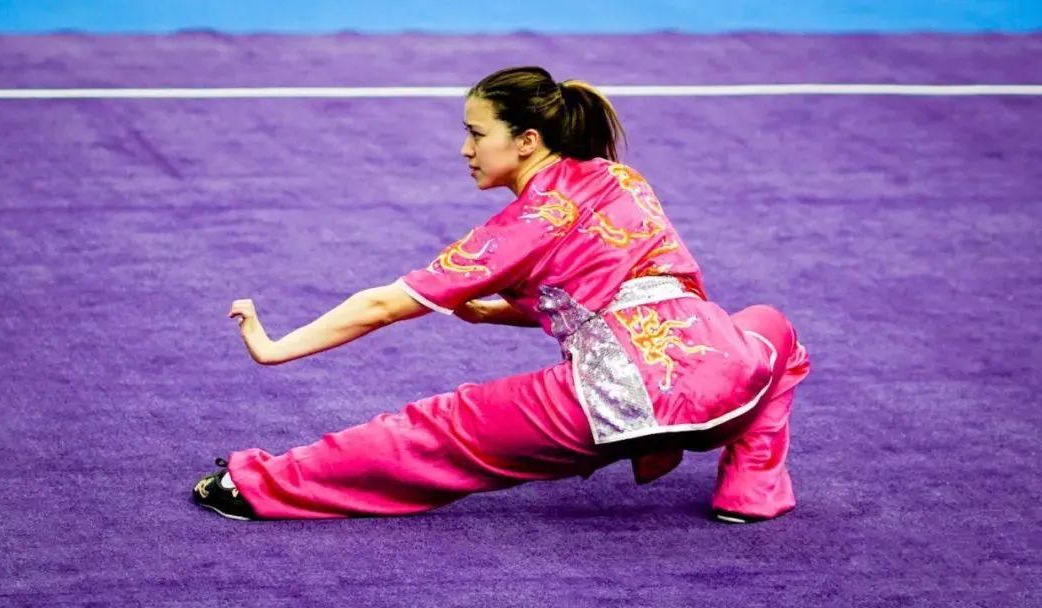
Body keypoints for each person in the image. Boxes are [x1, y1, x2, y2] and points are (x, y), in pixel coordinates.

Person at [191, 66, 810, 523]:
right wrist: (496, 315)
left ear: (527, 140)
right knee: (774, 326)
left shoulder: (519, 228)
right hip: (732, 379)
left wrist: (275, 348)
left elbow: (380, 306)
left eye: (475, 133)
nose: (465, 150)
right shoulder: (622, 180)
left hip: (617, 401)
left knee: (439, 429)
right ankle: (751, 489)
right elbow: (620, 293)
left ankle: (257, 486)